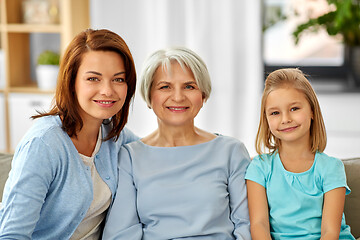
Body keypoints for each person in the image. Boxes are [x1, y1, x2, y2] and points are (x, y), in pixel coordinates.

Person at [0, 28, 139, 239]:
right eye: (93, 79)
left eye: (118, 79)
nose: (108, 90)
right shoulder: (43, 144)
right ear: (71, 82)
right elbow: (12, 234)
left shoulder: (113, 134)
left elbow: (156, 155)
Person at [102, 46, 251, 239]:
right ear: (149, 96)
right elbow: (121, 234)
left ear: (203, 95)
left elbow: (246, 226)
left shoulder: (231, 152)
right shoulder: (130, 157)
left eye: (189, 86)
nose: (178, 97)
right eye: (165, 87)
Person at [245, 68, 355, 239]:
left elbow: (330, 232)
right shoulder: (259, 167)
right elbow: (259, 224)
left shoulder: (331, 168)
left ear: (312, 110)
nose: (285, 119)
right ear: (266, 119)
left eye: (294, 108)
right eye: (275, 113)